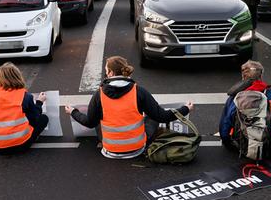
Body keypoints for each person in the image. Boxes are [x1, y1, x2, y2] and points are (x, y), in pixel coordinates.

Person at [65, 56, 194, 159]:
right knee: (152, 116)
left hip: (110, 150)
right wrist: (185, 109)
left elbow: (89, 122)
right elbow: (162, 116)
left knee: (98, 117)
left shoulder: (99, 94)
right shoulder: (139, 91)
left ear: (110, 73)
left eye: (106, 71)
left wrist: (73, 112)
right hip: (137, 149)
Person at [219, 60, 271, 155]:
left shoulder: (234, 98)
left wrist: (228, 143)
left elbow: (225, 124)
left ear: (243, 76)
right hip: (268, 145)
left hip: (242, 145)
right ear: (261, 76)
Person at [0, 63, 49, 154]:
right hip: (20, 146)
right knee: (43, 118)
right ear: (18, 77)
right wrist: (39, 102)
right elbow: (35, 118)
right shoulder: (25, 96)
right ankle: (30, 138)